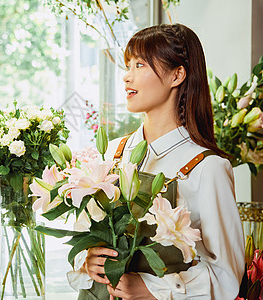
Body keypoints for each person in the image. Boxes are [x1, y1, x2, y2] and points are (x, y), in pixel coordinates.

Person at [73, 24, 245, 299]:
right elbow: (83, 233)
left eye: (140, 65)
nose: (127, 77)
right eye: (128, 65)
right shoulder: (113, 152)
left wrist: (151, 289)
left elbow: (226, 275)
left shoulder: (207, 167)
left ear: (177, 75)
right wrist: (88, 258)